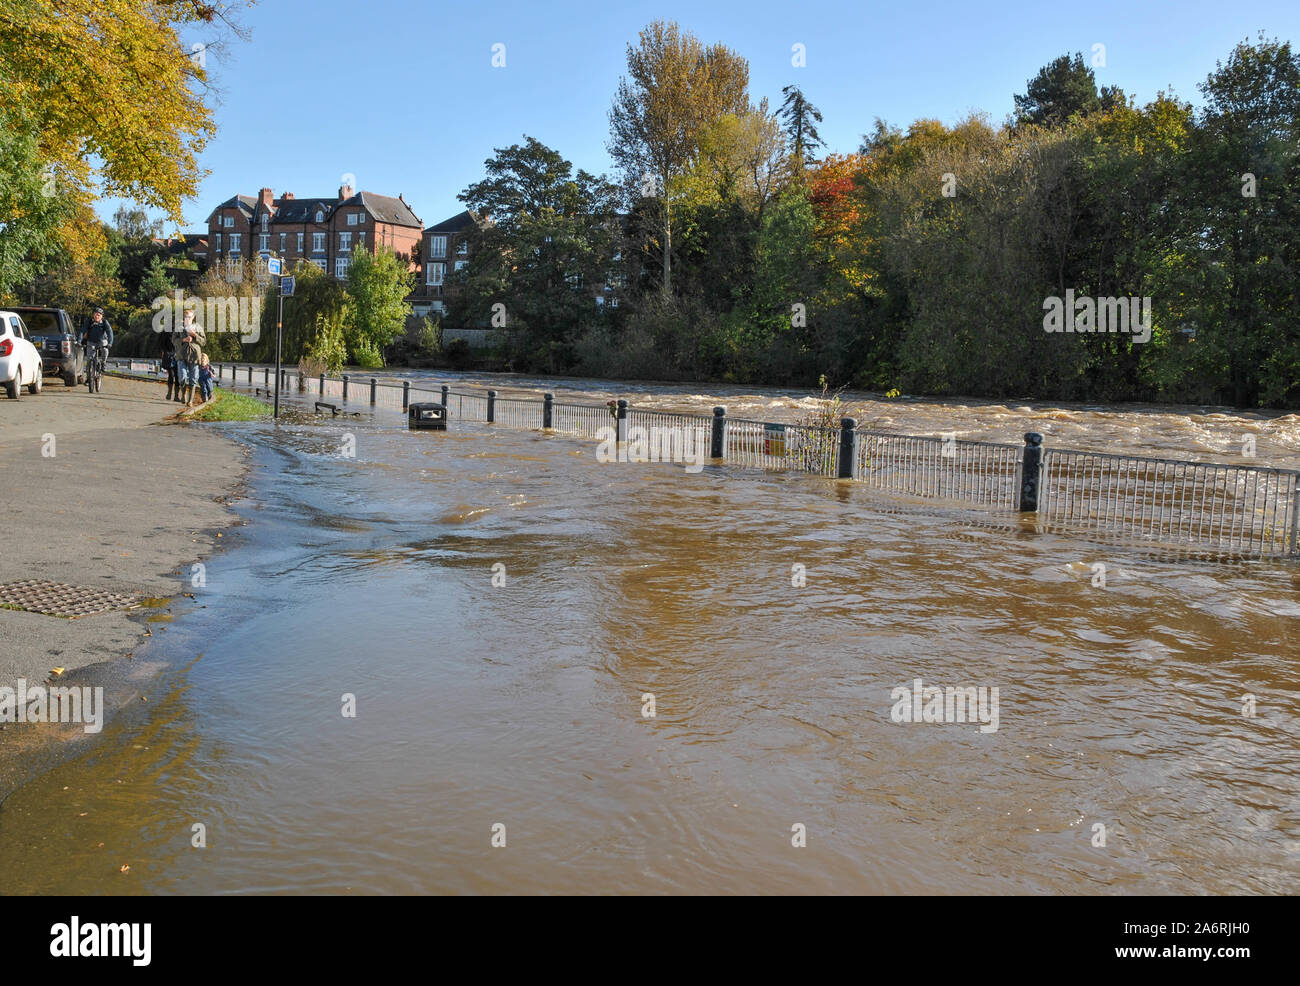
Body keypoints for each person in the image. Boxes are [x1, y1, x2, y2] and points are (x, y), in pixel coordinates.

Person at [80, 306, 114, 371]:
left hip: (102, 341)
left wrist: (110, 343)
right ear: (93, 315)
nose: (97, 316)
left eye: (98, 315)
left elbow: (110, 333)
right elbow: (82, 331)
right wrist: (79, 341)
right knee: (89, 360)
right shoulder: (89, 321)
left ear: (102, 316)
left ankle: (103, 363)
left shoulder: (105, 322)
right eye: (95, 315)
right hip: (91, 342)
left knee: (105, 349)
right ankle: (89, 377)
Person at [177, 329, 203, 407]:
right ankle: (184, 395)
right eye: (186, 316)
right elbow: (173, 340)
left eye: (189, 316)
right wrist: (183, 340)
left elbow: (203, 342)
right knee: (182, 377)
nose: (188, 317)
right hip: (181, 356)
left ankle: (190, 401)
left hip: (195, 357)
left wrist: (195, 335)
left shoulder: (198, 327)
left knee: (193, 379)